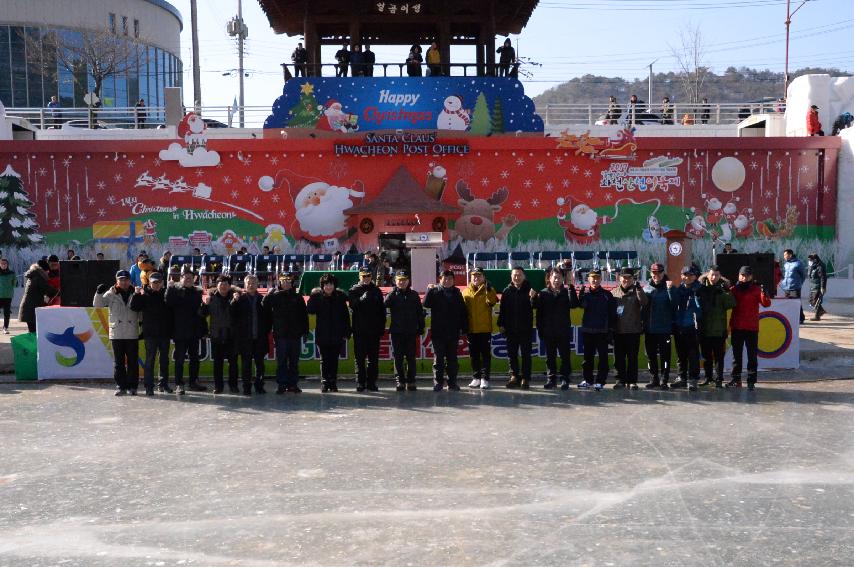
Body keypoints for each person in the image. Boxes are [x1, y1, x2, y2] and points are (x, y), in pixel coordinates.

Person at [94, 270, 141, 396]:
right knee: (119, 362)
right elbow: (97, 305)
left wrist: (143, 328)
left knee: (132, 362)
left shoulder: (136, 293)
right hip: (117, 333)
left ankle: (133, 386)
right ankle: (121, 386)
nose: (124, 282)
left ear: (130, 280)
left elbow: (141, 313)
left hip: (132, 332)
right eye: (121, 280)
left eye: (126, 279)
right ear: (117, 281)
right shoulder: (110, 293)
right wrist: (98, 293)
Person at [532, 267, 579, 390]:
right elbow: (538, 312)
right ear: (550, 278)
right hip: (548, 331)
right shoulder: (543, 293)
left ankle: (565, 379)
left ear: (563, 278)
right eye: (554, 277)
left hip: (563, 330)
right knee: (550, 357)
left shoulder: (566, 292)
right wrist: (540, 329)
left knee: (565, 357)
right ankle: (551, 379)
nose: (557, 280)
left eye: (559, 277)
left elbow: (574, 304)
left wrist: (571, 287)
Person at [263, 273, 308, 394]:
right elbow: (264, 306)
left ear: (292, 283)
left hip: (295, 335)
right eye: (284, 281)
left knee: (294, 361)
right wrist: (269, 294)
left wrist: (305, 331)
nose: (286, 283)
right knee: (281, 361)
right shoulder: (275, 296)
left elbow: (304, 315)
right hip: (281, 334)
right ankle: (282, 384)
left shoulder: (297, 297)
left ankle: (293, 384)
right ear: (280, 283)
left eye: (289, 281)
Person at [728, 266, 771, 390]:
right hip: (737, 327)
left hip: (751, 327)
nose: (744, 277)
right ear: (738, 276)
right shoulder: (734, 289)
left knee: (752, 356)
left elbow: (766, 304)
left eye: (746, 275)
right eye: (742, 275)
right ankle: (736, 379)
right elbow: (727, 301)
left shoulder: (756, 289)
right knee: (736, 356)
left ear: (751, 277)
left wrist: (764, 293)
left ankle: (751, 381)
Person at [165, 266, 207, 394]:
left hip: (194, 332)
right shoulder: (175, 290)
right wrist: (170, 288)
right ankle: (179, 384)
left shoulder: (198, 292)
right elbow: (168, 302)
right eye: (185, 277)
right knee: (180, 359)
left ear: (194, 278)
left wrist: (204, 330)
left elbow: (201, 313)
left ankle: (193, 382)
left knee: (195, 359)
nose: (188, 279)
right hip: (180, 332)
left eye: (190, 277)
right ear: (181, 278)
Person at [129, 271, 172, 395]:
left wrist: (172, 288)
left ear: (162, 283)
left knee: (164, 360)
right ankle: (149, 386)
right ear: (149, 283)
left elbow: (173, 306)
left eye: (158, 282)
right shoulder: (144, 295)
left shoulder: (166, 294)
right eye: (154, 282)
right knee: (150, 361)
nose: (156, 284)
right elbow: (134, 307)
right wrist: (136, 294)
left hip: (164, 333)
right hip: (150, 334)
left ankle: (163, 384)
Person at [307, 273, 351, 393]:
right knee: (324, 359)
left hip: (337, 333)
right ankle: (325, 382)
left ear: (334, 285)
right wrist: (312, 296)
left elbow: (345, 316)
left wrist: (347, 332)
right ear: (322, 286)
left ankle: (333, 382)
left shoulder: (340, 297)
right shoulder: (317, 297)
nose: (328, 287)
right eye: (326, 284)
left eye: (331, 284)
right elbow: (310, 310)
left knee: (334, 360)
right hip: (323, 334)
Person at [424, 270, 467, 391]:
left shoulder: (457, 293)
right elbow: (426, 304)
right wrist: (428, 290)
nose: (447, 281)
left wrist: (464, 327)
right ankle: (438, 382)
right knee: (438, 359)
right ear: (440, 279)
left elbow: (462, 311)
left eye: (450, 279)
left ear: (454, 280)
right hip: (438, 331)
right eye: (445, 279)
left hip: (453, 331)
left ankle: (452, 382)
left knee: (452, 359)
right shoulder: (434, 291)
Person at [384, 270, 424, 391]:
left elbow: (419, 313)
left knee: (411, 357)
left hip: (411, 331)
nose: (402, 282)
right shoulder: (392, 295)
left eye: (404, 280)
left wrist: (421, 327)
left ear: (408, 281)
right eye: (399, 280)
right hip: (397, 331)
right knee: (398, 357)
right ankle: (400, 380)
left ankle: (411, 380)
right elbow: (381, 307)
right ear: (395, 281)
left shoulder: (414, 295)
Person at [348, 267, 386, 392]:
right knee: (359, 358)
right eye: (364, 276)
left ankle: (372, 382)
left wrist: (381, 327)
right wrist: (361, 299)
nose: (366, 279)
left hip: (374, 330)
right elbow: (352, 306)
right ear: (360, 277)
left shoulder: (376, 290)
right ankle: (360, 382)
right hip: (359, 330)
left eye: (368, 276)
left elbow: (382, 311)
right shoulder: (354, 290)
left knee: (373, 359)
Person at [697, 265, 735, 388]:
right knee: (707, 357)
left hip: (719, 329)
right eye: (712, 274)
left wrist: (726, 292)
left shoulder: (723, 288)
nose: (714, 277)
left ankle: (719, 379)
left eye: (717, 275)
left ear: (720, 276)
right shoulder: (701, 287)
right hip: (704, 328)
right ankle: (708, 378)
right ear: (707, 274)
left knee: (719, 357)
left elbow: (732, 304)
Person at [201, 275, 240, 394]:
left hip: (231, 335)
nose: (223, 286)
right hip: (216, 335)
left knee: (233, 363)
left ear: (229, 286)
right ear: (216, 285)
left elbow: (241, 314)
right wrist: (205, 304)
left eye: (226, 284)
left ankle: (233, 385)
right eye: (220, 284)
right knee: (218, 363)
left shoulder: (235, 297)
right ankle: (218, 386)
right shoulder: (211, 298)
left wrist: (236, 300)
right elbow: (202, 314)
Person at [578, 269, 616, 391]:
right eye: (592, 278)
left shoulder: (607, 295)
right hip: (588, 331)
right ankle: (587, 380)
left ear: (601, 279)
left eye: (597, 278)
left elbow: (612, 314)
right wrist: (580, 296)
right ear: (588, 279)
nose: (595, 280)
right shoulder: (586, 294)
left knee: (603, 359)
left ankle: (600, 381)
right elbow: (581, 305)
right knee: (587, 359)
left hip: (602, 332)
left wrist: (610, 330)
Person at [498, 267, 535, 389]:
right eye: (514, 275)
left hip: (525, 329)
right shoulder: (507, 291)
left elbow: (535, 306)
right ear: (511, 276)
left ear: (524, 276)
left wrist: (533, 298)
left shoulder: (530, 290)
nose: (517, 277)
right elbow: (502, 310)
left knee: (526, 355)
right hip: (510, 329)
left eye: (519, 275)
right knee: (511, 354)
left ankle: (525, 377)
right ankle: (514, 376)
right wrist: (501, 324)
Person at [611, 268, 648, 389]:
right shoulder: (613, 293)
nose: (626, 280)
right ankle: (620, 380)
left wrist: (639, 289)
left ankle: (632, 381)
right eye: (624, 277)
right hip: (618, 331)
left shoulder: (637, 291)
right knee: (618, 359)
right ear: (619, 278)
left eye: (629, 278)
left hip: (633, 331)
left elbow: (644, 302)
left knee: (632, 358)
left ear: (633, 279)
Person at [232, 275, 269, 395]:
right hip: (245, 338)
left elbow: (269, 318)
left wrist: (265, 331)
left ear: (257, 284)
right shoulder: (239, 299)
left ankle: (259, 386)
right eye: (249, 283)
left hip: (259, 337)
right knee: (246, 365)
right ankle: (246, 387)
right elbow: (232, 315)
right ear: (244, 284)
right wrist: (234, 301)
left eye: (253, 283)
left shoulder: (262, 299)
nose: (251, 285)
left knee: (260, 365)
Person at [463, 267, 498, 389]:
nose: (476, 278)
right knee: (473, 355)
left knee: (485, 355)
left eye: (479, 276)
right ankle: (476, 377)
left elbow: (493, 302)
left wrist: (489, 290)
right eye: (474, 276)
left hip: (484, 329)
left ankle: (485, 378)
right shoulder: (465, 291)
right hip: (471, 329)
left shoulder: (489, 289)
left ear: (484, 277)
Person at [642, 263, 676, 389]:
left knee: (665, 357)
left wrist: (670, 290)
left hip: (664, 329)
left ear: (663, 273)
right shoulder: (646, 288)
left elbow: (675, 306)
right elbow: (642, 309)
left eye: (659, 273)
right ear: (651, 273)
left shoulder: (670, 287)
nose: (656, 275)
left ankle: (664, 379)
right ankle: (654, 378)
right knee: (650, 356)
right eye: (654, 273)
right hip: (649, 330)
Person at [672, 265, 703, 391]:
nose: (687, 277)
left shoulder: (700, 290)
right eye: (685, 275)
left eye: (690, 275)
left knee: (693, 355)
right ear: (681, 276)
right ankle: (681, 378)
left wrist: (696, 297)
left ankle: (693, 379)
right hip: (679, 326)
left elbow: (701, 310)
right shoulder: (678, 290)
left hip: (693, 327)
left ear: (695, 277)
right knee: (681, 354)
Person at [19, 260, 57, 333]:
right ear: (43, 270)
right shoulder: (38, 277)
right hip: (31, 308)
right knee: (34, 331)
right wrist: (58, 291)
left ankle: (33, 344)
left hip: (30, 307)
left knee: (33, 331)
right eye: (47, 270)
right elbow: (48, 289)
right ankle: (33, 344)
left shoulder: (34, 275)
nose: (48, 272)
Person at [781, 248, 806, 324]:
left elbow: (803, 275)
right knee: (788, 303)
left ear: (790, 255)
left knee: (796, 303)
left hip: (795, 287)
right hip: (786, 287)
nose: (784, 256)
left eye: (786, 255)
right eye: (784, 255)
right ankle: (790, 317)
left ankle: (801, 318)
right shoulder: (786, 264)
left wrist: (799, 283)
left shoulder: (798, 263)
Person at [807, 253, 828, 321]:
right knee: (811, 300)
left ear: (815, 259)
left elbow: (823, 277)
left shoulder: (820, 266)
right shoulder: (812, 266)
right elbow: (809, 275)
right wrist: (810, 266)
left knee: (816, 301)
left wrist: (823, 287)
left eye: (811, 260)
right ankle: (821, 311)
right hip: (812, 286)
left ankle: (817, 316)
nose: (809, 261)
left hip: (818, 286)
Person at [0, 259, 16, 334]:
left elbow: (14, 283)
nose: (3, 265)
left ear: (7, 264)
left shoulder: (12, 273)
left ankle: (5, 328)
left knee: (7, 313)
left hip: (8, 296)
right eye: (2, 263)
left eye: (5, 263)